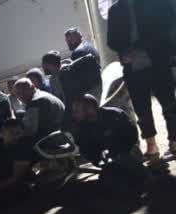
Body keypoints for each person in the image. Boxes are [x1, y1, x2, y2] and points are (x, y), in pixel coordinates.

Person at [107, 0, 176, 158]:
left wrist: (141, 46)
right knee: (141, 107)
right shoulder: (116, 10)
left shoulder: (154, 3)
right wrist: (124, 50)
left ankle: (174, 142)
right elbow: (111, 40)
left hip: (158, 61)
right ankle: (152, 146)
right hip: (132, 66)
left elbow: (166, 26)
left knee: (168, 103)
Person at [71, 94, 139, 165]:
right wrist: (99, 158)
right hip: (106, 161)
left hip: (127, 153)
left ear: (89, 109)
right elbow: (85, 150)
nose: (74, 115)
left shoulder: (115, 115)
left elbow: (132, 136)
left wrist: (119, 153)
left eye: (76, 111)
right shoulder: (81, 127)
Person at [63, 27, 103, 103]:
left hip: (90, 89)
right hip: (98, 83)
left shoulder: (77, 52)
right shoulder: (89, 45)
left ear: (79, 37)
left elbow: (76, 77)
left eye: (71, 40)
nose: (69, 43)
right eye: (67, 41)